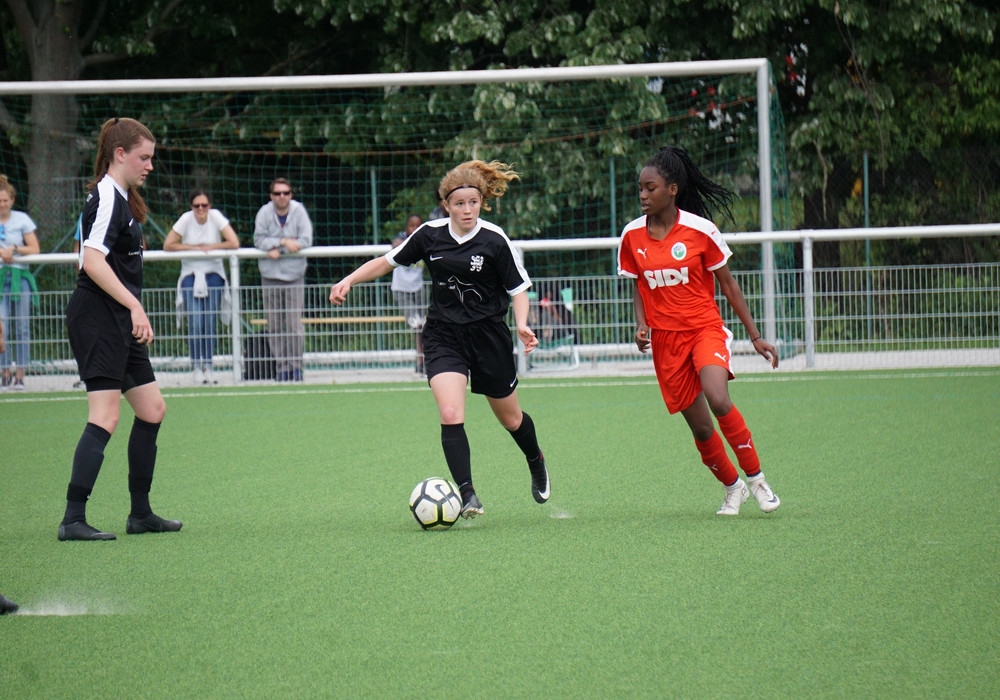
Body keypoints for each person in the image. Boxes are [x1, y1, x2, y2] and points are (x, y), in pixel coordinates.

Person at [330, 160, 550, 518]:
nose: (467, 210)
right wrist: (349, 280)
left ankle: (535, 458)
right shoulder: (430, 235)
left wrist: (522, 323)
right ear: (446, 204)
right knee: (450, 412)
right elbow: (387, 262)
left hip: (489, 337)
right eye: (459, 203)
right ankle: (468, 494)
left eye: (473, 202)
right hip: (443, 335)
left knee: (511, 420)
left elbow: (519, 289)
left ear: (482, 202)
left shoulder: (494, 239)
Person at [617, 146, 781, 516]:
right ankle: (732, 488)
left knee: (717, 396)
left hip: (704, 328)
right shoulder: (631, 236)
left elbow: (729, 287)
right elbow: (637, 284)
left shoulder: (700, 230)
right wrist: (641, 323)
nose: (643, 195)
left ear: (672, 189)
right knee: (702, 429)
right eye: (640, 189)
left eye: (650, 187)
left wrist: (755, 336)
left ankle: (757, 481)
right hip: (665, 342)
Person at [60, 117, 182, 541]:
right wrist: (135, 307)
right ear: (120, 155)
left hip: (116, 317)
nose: (150, 165)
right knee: (106, 416)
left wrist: (130, 309)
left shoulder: (122, 198)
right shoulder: (107, 196)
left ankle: (140, 514)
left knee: (151, 410)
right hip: (97, 317)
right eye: (144, 158)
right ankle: (73, 519)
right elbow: (90, 262)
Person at [164, 189, 238, 385]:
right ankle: (196, 365)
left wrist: (212, 247)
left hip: (214, 274)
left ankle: (208, 365)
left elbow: (234, 242)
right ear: (191, 207)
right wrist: (193, 248)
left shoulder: (215, 217)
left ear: (209, 206)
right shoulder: (186, 219)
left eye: (204, 205)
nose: (201, 209)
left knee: (209, 323)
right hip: (190, 275)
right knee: (196, 322)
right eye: (197, 206)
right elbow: (169, 244)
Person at [253, 178, 312, 382]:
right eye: (278, 193)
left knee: (294, 325)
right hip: (270, 277)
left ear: (290, 194)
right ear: (271, 196)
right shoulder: (264, 213)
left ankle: (296, 367)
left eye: (286, 193)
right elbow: (258, 240)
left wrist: (279, 248)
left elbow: (305, 240)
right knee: (274, 325)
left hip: (295, 276)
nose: (282, 197)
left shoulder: (299, 211)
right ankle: (281, 368)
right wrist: (283, 242)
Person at [0, 174, 40, 391]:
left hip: (19, 278)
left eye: (5, 200)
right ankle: (4, 372)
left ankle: (20, 374)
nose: (2, 204)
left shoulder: (22, 219)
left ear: (12, 200)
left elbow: (34, 248)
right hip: (0, 279)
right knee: (1, 325)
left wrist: (14, 250)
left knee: (22, 326)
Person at [390, 213, 427, 373]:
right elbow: (394, 244)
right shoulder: (402, 239)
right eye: (411, 226)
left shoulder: (425, 241)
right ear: (406, 228)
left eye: (417, 226)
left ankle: (422, 361)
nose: (414, 229)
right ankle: (420, 360)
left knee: (425, 326)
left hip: (418, 289)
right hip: (401, 289)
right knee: (416, 324)